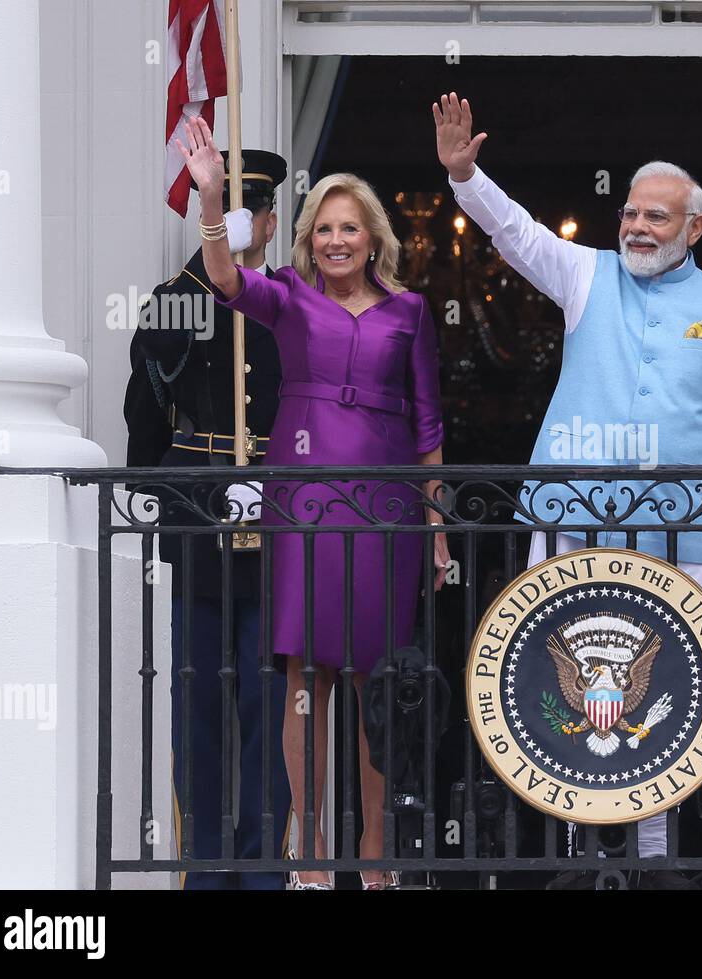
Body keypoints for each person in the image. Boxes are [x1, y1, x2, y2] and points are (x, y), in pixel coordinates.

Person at [434, 92, 702, 888]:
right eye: (629, 213)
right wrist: (463, 176)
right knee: (573, 698)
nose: (638, 228)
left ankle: (650, 865)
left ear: (694, 227)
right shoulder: (587, 273)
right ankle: (585, 861)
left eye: (657, 216)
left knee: (662, 709)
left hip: (680, 544)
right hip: (575, 533)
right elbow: (513, 231)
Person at [175, 117, 450, 890]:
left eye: (349, 228)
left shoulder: (412, 311)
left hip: (387, 503)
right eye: (323, 228)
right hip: (303, 498)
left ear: (373, 238)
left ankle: (375, 852)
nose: (335, 241)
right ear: (309, 238)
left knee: (374, 677)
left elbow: (428, 423)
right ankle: (310, 851)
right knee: (304, 674)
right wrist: (210, 199)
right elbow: (228, 281)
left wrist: (435, 526)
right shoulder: (288, 297)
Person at [124, 149, 291, 890]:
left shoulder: (288, 300)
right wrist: (161, 491)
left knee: (265, 694)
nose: (243, 218)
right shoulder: (176, 298)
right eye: (229, 204)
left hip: (275, 513)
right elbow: (146, 413)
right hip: (198, 512)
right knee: (196, 694)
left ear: (273, 220)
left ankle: (262, 866)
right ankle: (204, 863)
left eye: (251, 207)